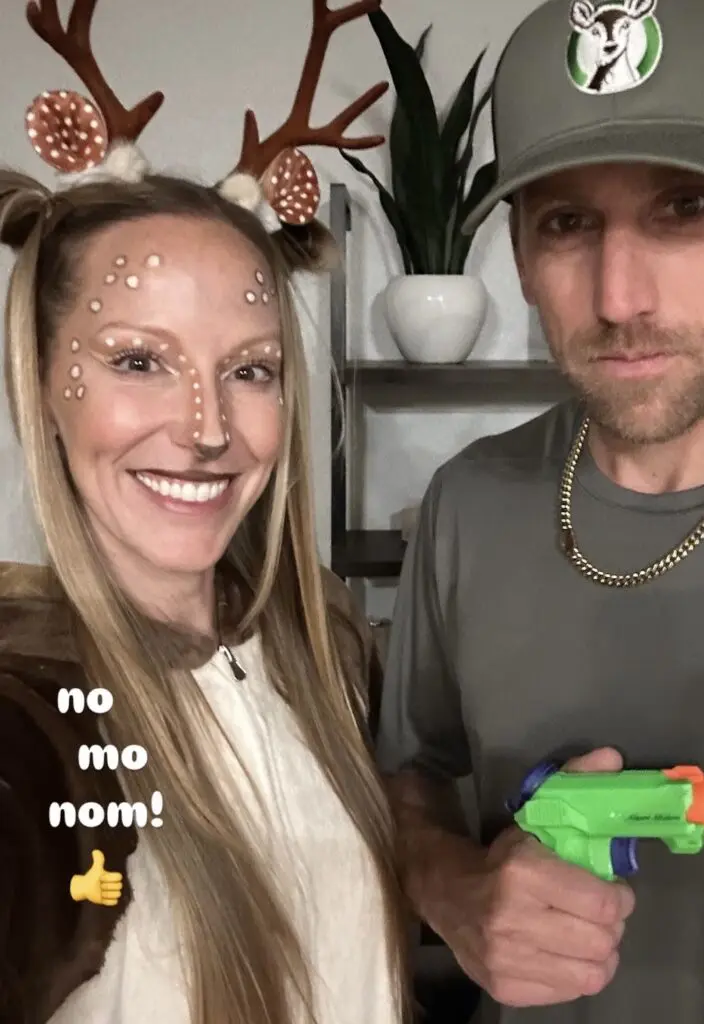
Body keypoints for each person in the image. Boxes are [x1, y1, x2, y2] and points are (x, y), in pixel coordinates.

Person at [375, 0, 704, 1021]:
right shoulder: (466, 506)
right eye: (568, 222)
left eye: (683, 206)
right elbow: (411, 780)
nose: (620, 298)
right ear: (520, 250)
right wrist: (452, 889)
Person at [0, 2, 410, 1022]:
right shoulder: (29, 714)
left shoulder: (331, 647)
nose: (207, 429)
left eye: (250, 370)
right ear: (42, 385)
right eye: (140, 361)